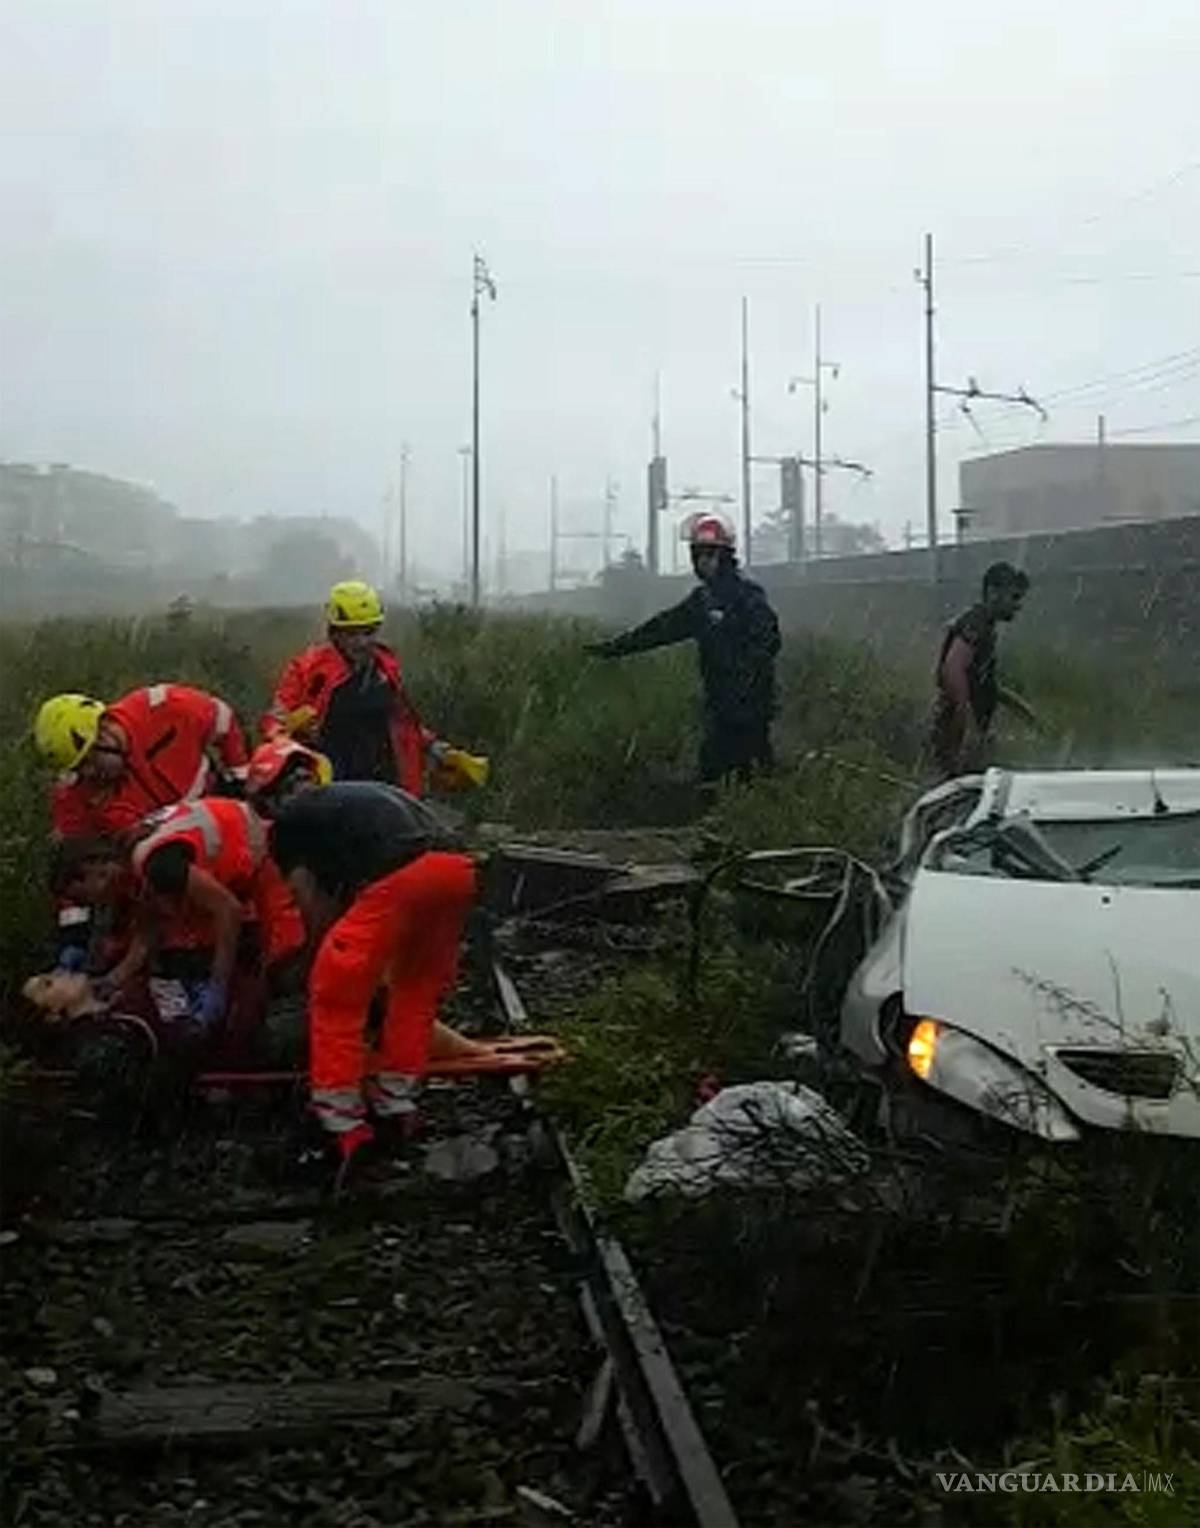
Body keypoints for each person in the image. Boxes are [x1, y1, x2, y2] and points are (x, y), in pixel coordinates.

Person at [267, 781, 478, 1166]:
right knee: (413, 989)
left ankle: (339, 1123)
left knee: (336, 994)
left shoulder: (286, 833)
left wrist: (310, 962)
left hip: (402, 872)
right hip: (459, 871)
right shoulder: (347, 807)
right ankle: (396, 1101)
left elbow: (312, 905)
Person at [51, 795, 305, 1044]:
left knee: (284, 959)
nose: (95, 905)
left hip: (266, 856)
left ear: (94, 870)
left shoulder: (157, 864)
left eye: (85, 897)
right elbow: (148, 932)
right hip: (238, 858)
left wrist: (218, 985)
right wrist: (111, 981)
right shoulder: (138, 866)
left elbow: (229, 911)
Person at [35, 684, 250, 969]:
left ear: (104, 731)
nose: (89, 774)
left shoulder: (160, 707)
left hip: (221, 831)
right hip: (161, 876)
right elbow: (74, 873)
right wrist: (73, 939)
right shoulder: (75, 798)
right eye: (78, 769)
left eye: (88, 761)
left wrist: (241, 781)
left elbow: (224, 721)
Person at [585, 513, 781, 784]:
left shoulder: (748, 596)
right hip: (720, 708)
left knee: (749, 775)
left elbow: (769, 641)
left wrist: (744, 680)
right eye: (698, 554)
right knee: (716, 775)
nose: (704, 561)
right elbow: (660, 629)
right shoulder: (701, 601)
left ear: (725, 556)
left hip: (749, 711)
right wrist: (613, 649)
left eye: (710, 554)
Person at [262, 579, 483, 794]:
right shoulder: (307, 669)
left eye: (368, 632)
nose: (361, 642)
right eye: (352, 634)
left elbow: (404, 723)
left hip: (383, 784)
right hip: (328, 785)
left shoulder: (385, 669)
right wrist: (290, 731)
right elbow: (274, 724)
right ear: (334, 632)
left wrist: (439, 751)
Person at [929, 561, 1038, 781]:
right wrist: (964, 717)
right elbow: (953, 668)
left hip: (966, 729)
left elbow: (980, 680)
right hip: (956, 731)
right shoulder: (976, 624)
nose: (1018, 606)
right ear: (993, 593)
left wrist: (1020, 708)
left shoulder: (984, 626)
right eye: (1014, 598)